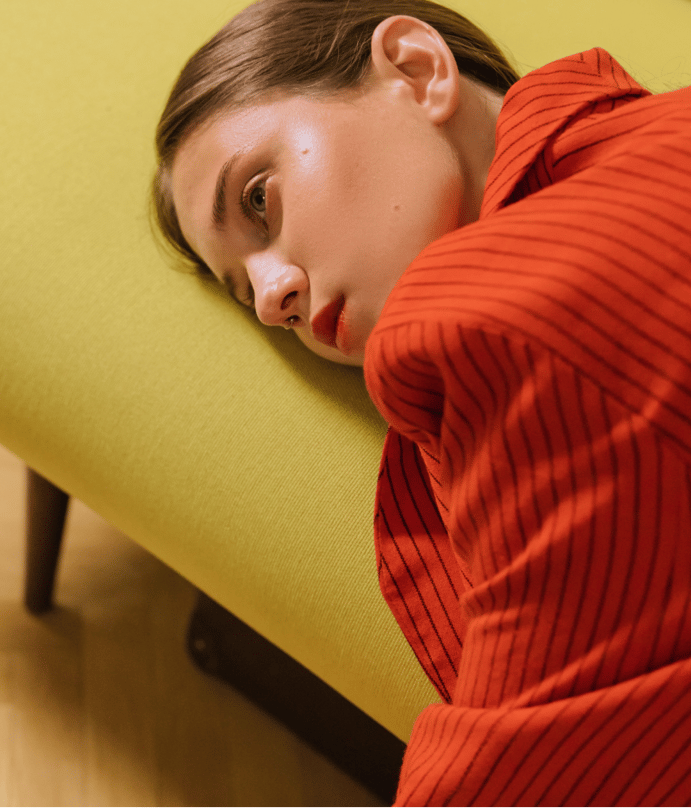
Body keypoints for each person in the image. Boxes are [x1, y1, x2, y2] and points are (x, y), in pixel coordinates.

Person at [152, 0, 691, 804]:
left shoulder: (486, 322)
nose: (270, 298)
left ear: (416, 68)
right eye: (244, 291)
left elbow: (531, 754)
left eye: (259, 201)